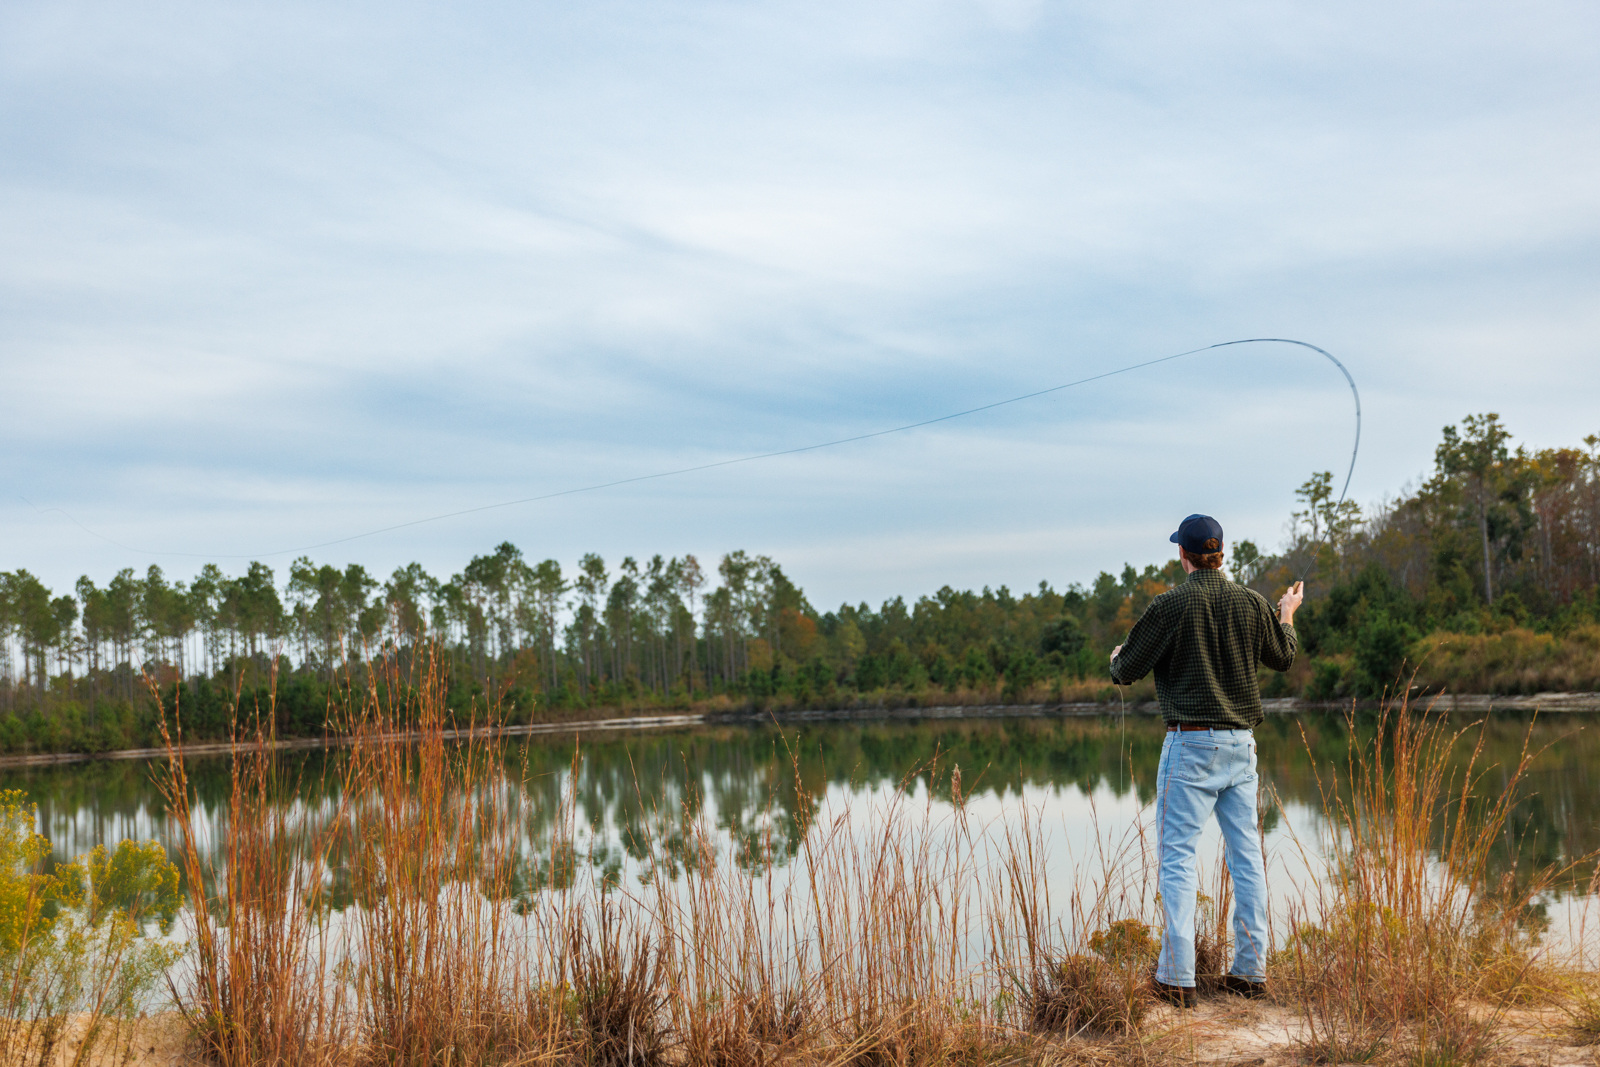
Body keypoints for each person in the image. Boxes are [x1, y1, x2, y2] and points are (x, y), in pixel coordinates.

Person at [1108, 513, 1302, 1008]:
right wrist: (1287, 613)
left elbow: (1126, 670)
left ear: (1183, 554)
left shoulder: (1170, 605)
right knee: (1247, 860)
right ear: (1220, 554)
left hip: (1190, 747)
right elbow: (1283, 657)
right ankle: (1250, 973)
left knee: (1177, 858)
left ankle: (1177, 979)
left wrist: (1115, 657)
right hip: (1241, 747)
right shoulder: (1253, 602)